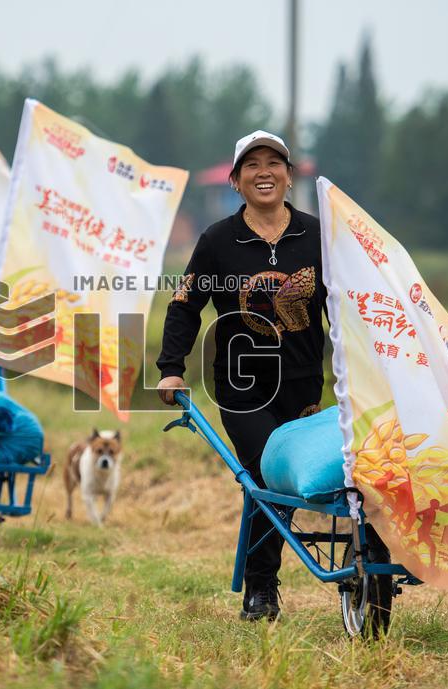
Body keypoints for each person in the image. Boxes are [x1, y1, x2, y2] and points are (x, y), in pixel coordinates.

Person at [156, 131, 333, 621]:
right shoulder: (218, 241)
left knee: (292, 482)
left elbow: (350, 305)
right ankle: (261, 589)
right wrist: (171, 369)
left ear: (289, 175)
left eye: (274, 162)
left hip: (302, 383)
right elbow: (185, 305)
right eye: (251, 164)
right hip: (242, 386)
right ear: (235, 181)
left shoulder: (319, 235)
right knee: (264, 474)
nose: (263, 171)